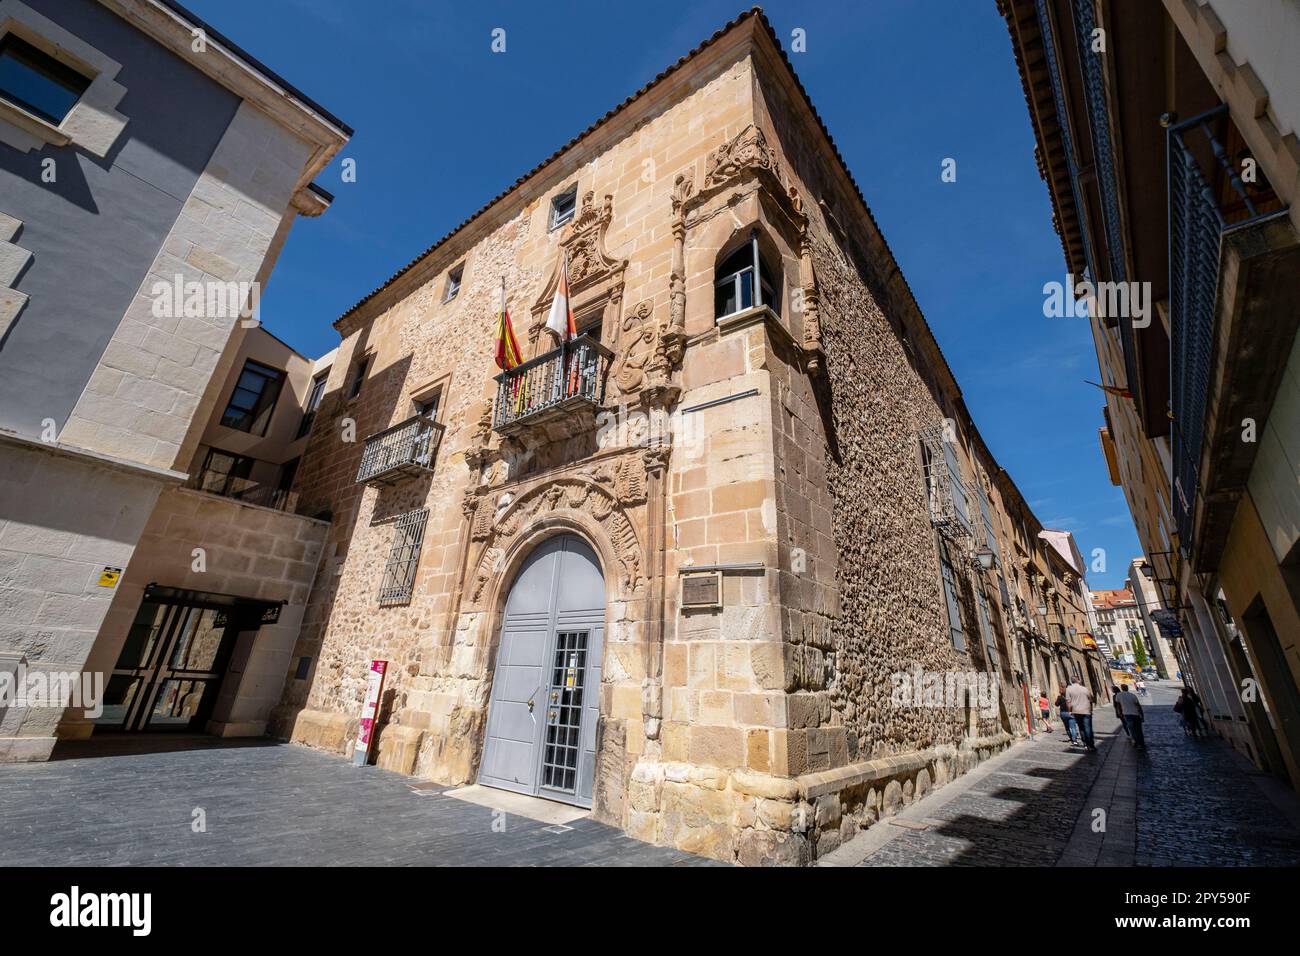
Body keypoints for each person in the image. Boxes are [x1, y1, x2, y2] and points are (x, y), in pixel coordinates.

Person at [1065, 677, 1096, 751]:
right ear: (1078, 680)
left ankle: (1085, 743)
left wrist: (1069, 711)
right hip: (1086, 711)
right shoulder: (1084, 689)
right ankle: (1091, 745)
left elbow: (1068, 701)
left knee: (1081, 728)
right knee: (1088, 728)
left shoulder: (1069, 689)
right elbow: (1091, 699)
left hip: (1076, 711)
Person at [1114, 683, 1146, 749]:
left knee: (1132, 730)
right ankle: (1141, 743)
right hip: (1136, 714)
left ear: (1122, 688)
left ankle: (1137, 743)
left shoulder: (1119, 695)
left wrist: (1119, 713)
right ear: (1127, 688)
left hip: (1127, 714)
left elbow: (1118, 705)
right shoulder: (1132, 695)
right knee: (1139, 730)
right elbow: (1138, 706)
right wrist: (1142, 716)